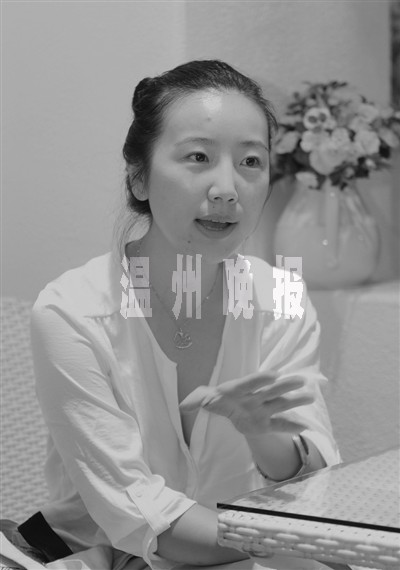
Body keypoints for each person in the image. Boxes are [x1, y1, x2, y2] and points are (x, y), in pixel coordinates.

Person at [23, 60, 340, 570]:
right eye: (198, 157)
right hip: (115, 557)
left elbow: (311, 484)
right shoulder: (72, 313)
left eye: (251, 161)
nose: (227, 188)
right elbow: (138, 515)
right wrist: (292, 540)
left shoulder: (281, 298)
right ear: (139, 178)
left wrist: (264, 435)